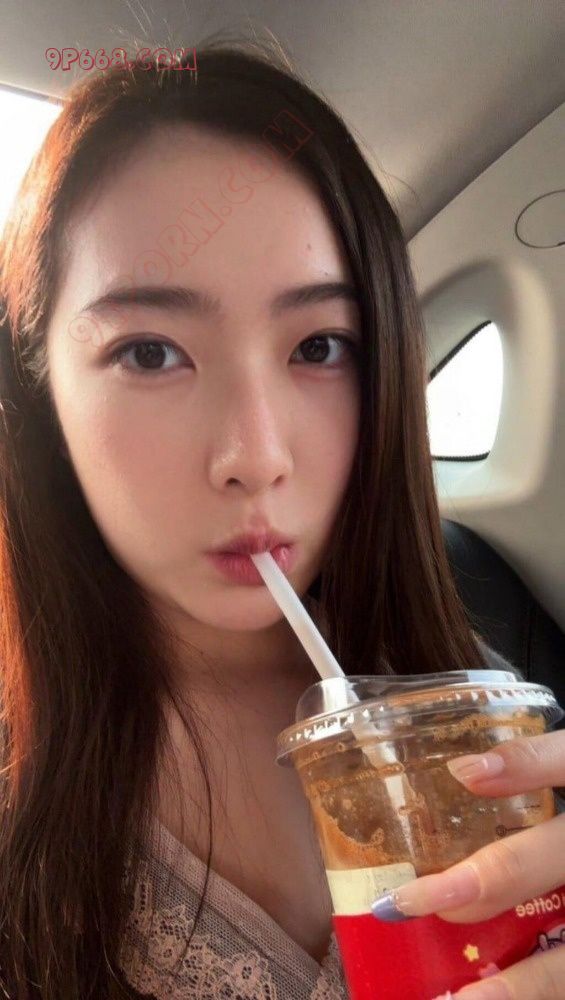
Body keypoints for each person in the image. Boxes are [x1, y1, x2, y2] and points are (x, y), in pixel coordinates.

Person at [1, 34, 564, 1000]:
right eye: (148, 353)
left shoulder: (472, 701)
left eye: (318, 346)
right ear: (38, 391)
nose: (254, 456)